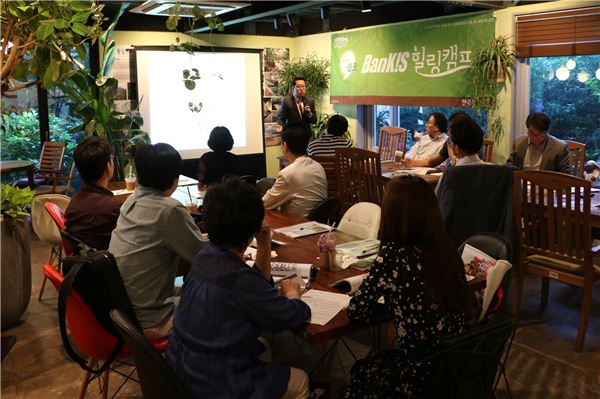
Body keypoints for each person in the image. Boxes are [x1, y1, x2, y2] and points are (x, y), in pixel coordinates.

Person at [167, 178, 311, 399]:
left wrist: (264, 245)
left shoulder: (204, 257)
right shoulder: (237, 278)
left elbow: (258, 290)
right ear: (254, 226)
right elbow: (289, 317)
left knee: (263, 345)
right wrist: (293, 294)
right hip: (215, 383)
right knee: (300, 380)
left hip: (180, 368)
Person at [343, 176, 477, 398]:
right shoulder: (446, 247)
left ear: (391, 215)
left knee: (361, 371)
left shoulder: (393, 256)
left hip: (421, 373)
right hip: (457, 363)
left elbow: (357, 310)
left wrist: (389, 305)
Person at [109, 143, 208, 339]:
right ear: (175, 180)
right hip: (153, 320)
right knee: (221, 300)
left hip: (120, 313)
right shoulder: (169, 210)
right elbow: (206, 257)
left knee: (190, 287)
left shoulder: (131, 201)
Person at [65, 137, 121, 250]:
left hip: (83, 264)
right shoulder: (113, 208)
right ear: (108, 167)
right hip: (107, 266)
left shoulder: (73, 203)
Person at [263, 123, 327, 217]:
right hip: (318, 225)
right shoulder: (318, 167)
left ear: (284, 145)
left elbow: (264, 205)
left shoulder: (288, 174)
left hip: (296, 225)